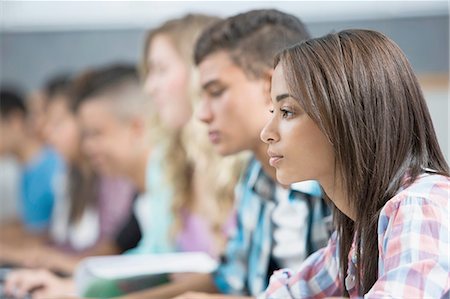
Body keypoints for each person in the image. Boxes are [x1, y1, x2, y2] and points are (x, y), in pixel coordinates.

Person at [123, 9, 331, 299]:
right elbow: (232, 278)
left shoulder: (334, 178)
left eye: (216, 92)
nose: (202, 114)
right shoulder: (255, 177)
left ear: (270, 86)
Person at [261, 29, 450, 298]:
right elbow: (292, 293)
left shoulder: (420, 206)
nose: (266, 132)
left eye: (287, 112)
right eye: (273, 112)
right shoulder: (359, 229)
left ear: (347, 115)